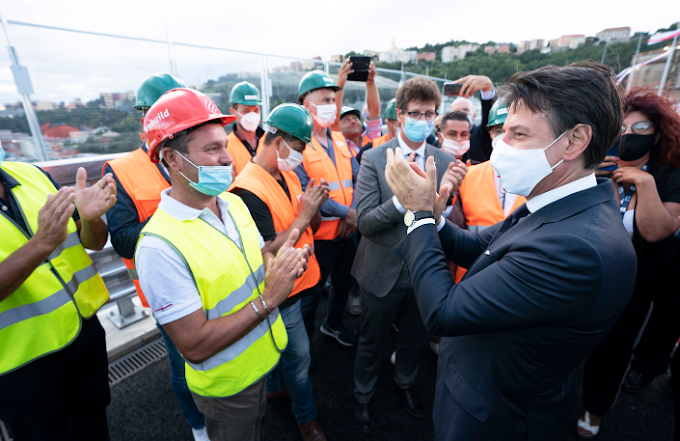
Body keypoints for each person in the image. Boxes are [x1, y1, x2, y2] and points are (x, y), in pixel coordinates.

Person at [384, 61, 637, 441]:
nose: (500, 148)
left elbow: (442, 312)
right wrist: (435, 219)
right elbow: (480, 246)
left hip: (496, 419)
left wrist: (418, 215)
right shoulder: (557, 205)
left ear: (574, 141)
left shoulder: (576, 247)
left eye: (518, 134)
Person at [135, 88, 309, 441]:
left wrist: (282, 264)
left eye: (225, 146)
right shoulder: (159, 247)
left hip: (263, 359)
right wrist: (269, 299)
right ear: (172, 158)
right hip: (227, 387)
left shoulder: (233, 204)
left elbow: (258, 257)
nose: (227, 159)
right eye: (212, 149)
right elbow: (194, 345)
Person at [351, 76, 465, 434]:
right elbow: (365, 222)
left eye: (430, 113)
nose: (423, 119)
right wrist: (405, 199)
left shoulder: (445, 161)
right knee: (371, 341)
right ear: (400, 116)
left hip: (425, 272)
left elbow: (443, 221)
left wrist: (442, 199)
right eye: (416, 113)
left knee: (412, 339)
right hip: (380, 270)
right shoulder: (373, 157)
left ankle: (404, 384)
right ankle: (362, 394)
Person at [103, 72, 210, 441]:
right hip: (167, 286)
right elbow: (121, 237)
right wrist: (176, 219)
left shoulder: (201, 151)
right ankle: (198, 425)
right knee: (184, 364)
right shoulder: (122, 169)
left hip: (214, 272)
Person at [577, 89, 680, 439]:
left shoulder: (669, 176)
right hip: (582, 276)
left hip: (632, 286)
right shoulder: (596, 163)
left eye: (641, 128)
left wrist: (644, 184)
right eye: (623, 127)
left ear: (658, 133)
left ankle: (594, 408)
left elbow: (657, 231)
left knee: (613, 351)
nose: (629, 135)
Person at [0, 141, 117, 440]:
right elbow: (46, 241)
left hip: (82, 331)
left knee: (93, 423)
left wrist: (91, 219)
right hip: (21, 359)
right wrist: (41, 243)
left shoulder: (31, 175)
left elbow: (93, 241)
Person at [229, 103, 329, 441]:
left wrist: (312, 210)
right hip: (281, 290)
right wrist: (304, 216)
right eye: (299, 146)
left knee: (289, 351)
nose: (300, 155)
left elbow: (307, 222)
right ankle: (306, 418)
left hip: (306, 279)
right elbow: (266, 249)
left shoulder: (287, 174)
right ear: (278, 140)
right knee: (300, 357)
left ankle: (274, 388)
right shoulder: (246, 189)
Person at [295, 70, 360, 346]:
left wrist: (353, 213)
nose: (331, 105)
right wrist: (348, 213)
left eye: (332, 99)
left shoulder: (340, 140)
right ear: (305, 105)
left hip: (347, 231)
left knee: (343, 285)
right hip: (320, 238)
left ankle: (332, 324)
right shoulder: (299, 145)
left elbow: (359, 178)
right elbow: (306, 193)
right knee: (311, 294)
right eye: (324, 99)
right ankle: (305, 344)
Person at [449, 99, 526, 283]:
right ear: (491, 134)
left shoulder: (543, 179)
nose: (506, 137)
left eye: (516, 131)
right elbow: (453, 235)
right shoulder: (467, 176)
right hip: (469, 280)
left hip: (519, 282)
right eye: (499, 130)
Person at [337, 61, 381, 158]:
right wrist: (340, 83)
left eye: (355, 118)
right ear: (338, 127)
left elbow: (374, 111)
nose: (353, 121)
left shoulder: (371, 138)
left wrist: (370, 81)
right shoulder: (337, 145)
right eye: (346, 120)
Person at [449, 75, 495, 163]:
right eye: (456, 111)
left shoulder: (482, 134)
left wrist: (487, 89)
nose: (461, 113)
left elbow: (488, 118)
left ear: (474, 116)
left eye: (466, 110)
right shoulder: (442, 138)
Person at [228, 81, 266, 175]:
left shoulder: (270, 141)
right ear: (233, 112)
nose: (252, 115)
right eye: (246, 111)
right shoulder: (226, 146)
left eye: (256, 110)